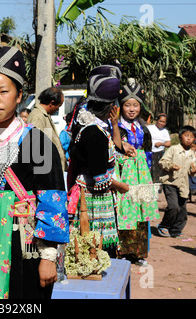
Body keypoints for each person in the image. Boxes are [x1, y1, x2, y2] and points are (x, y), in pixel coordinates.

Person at [0, 39, 69, 299]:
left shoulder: (37, 142)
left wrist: (48, 256)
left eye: (3, 92)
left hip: (21, 246)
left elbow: (52, 200)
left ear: (19, 96)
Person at [67, 65, 129, 258]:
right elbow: (100, 176)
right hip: (93, 200)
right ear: (112, 107)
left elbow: (113, 152)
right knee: (93, 246)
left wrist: (115, 124)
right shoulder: (94, 133)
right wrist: (121, 186)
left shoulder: (90, 126)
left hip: (89, 194)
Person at [115, 79, 159, 265]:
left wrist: (150, 178)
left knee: (141, 213)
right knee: (125, 211)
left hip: (142, 176)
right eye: (127, 105)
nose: (132, 109)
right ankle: (122, 251)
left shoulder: (144, 130)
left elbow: (149, 155)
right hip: (124, 174)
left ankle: (138, 254)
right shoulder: (116, 128)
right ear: (121, 106)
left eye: (135, 105)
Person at [157, 126, 196, 238]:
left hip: (183, 184)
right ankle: (164, 226)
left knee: (182, 210)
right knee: (174, 207)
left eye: (191, 137)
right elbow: (162, 162)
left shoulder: (192, 153)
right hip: (170, 182)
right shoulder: (173, 149)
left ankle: (176, 230)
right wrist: (171, 166)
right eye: (186, 135)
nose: (189, 139)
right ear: (180, 137)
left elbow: (191, 170)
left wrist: (194, 170)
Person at [27, 87, 68, 172]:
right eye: (58, 106)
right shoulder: (38, 117)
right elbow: (36, 149)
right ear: (51, 103)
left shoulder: (45, 116)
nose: (58, 109)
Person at [147, 114, 171, 183]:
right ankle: (149, 182)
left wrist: (162, 144)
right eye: (160, 121)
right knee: (149, 168)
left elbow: (169, 143)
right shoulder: (150, 128)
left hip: (159, 152)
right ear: (157, 121)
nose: (162, 123)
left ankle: (157, 184)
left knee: (158, 169)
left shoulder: (165, 131)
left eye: (164, 122)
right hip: (149, 151)